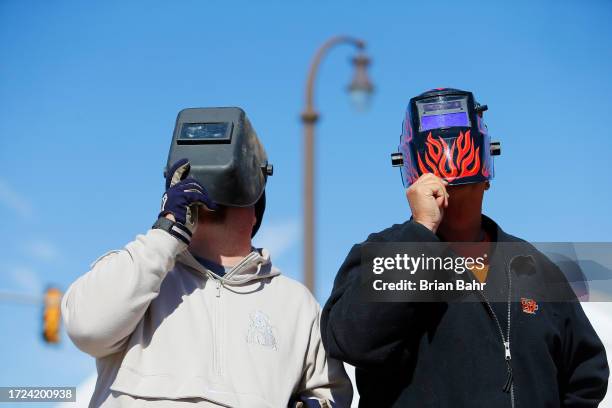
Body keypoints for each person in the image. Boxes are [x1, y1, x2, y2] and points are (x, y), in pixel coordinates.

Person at [321, 89, 609, 407]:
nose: (451, 193)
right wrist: (419, 236)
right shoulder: (383, 254)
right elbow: (351, 339)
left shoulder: (533, 268)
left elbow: (587, 373)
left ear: (486, 175)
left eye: (464, 184)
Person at [62, 107, 352, 407]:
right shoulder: (139, 273)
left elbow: (333, 395)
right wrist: (166, 232)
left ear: (256, 208)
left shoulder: (297, 305)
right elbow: (87, 329)